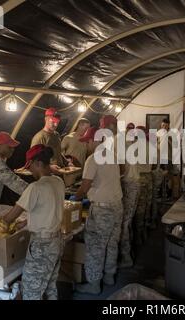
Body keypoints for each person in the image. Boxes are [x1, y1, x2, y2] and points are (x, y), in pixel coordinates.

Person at [2, 144, 65, 300]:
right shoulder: (58, 181)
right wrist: (26, 223)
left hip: (42, 245)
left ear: (38, 163)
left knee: (31, 291)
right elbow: (46, 210)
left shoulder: (35, 187)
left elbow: (11, 216)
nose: (30, 171)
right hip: (57, 240)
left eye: (30, 167)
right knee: (50, 286)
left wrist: (4, 221)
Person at [74, 115, 123, 295]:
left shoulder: (93, 158)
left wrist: (73, 199)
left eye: (88, 142)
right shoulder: (113, 155)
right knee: (111, 242)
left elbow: (85, 185)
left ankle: (94, 284)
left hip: (102, 209)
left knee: (95, 246)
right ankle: (109, 276)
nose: (87, 145)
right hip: (117, 204)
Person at [118, 123, 141, 268]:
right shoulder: (134, 145)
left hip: (129, 184)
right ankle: (129, 252)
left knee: (124, 222)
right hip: (134, 183)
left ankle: (126, 258)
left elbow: (121, 169)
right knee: (129, 219)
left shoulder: (124, 146)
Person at [134, 125, 153, 245]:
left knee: (138, 208)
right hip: (148, 177)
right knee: (146, 205)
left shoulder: (133, 146)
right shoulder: (151, 146)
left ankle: (137, 236)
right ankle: (144, 230)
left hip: (138, 177)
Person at [31, 107, 65, 172]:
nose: (55, 124)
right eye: (53, 122)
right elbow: (33, 159)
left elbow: (58, 152)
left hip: (60, 172)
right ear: (46, 119)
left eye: (57, 122)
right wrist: (49, 167)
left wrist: (67, 162)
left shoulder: (56, 135)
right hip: (47, 174)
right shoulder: (39, 137)